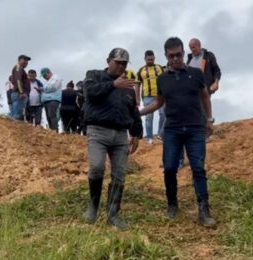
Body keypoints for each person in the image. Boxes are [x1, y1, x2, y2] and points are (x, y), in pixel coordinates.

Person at [140, 37, 216, 227]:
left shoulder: (196, 74)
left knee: (198, 168)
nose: (175, 58)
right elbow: (158, 103)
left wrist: (209, 119)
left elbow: (205, 96)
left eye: (179, 55)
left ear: (184, 54)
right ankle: (172, 205)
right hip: (172, 129)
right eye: (171, 56)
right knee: (170, 168)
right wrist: (138, 112)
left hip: (195, 128)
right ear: (166, 56)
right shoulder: (162, 79)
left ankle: (203, 209)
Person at [83, 48, 143, 230]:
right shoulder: (94, 76)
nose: (121, 66)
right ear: (108, 61)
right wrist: (113, 85)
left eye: (124, 63)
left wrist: (137, 133)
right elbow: (90, 93)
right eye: (118, 62)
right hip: (98, 132)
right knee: (96, 167)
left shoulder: (129, 88)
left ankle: (113, 213)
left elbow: (133, 111)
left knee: (119, 174)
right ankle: (93, 204)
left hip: (120, 135)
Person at [136, 50, 164, 144]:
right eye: (148, 59)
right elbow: (137, 84)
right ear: (145, 59)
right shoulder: (141, 70)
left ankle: (160, 135)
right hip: (147, 96)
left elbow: (165, 80)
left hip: (160, 95)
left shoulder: (159, 68)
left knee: (163, 114)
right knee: (149, 117)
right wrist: (137, 98)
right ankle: (149, 138)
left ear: (154, 58)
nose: (150, 61)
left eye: (152, 59)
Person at [40, 67, 62, 131]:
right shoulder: (48, 81)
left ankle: (55, 130)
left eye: (45, 75)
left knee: (52, 116)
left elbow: (53, 87)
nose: (44, 77)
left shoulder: (56, 78)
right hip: (47, 101)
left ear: (49, 72)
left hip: (53, 100)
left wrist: (43, 89)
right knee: (48, 117)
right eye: (43, 76)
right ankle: (51, 130)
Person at [11, 55, 31, 120]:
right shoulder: (18, 67)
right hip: (19, 94)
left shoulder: (20, 68)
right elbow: (18, 80)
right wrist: (21, 92)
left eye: (27, 60)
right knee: (17, 115)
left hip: (19, 93)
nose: (26, 62)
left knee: (18, 113)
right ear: (19, 60)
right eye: (24, 60)